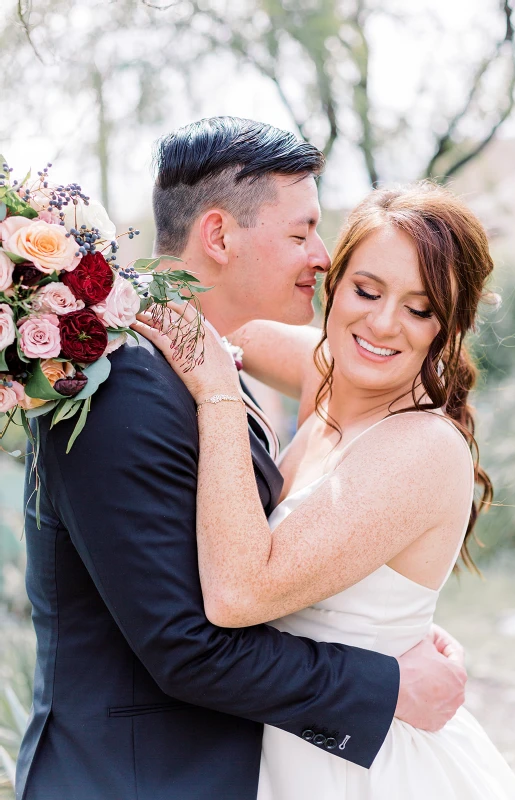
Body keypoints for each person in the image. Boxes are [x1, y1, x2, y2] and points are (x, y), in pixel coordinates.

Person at [17, 118, 466, 800]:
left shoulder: (201, 362)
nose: (320, 256)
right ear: (221, 236)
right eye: (300, 232)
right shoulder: (127, 391)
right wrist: (389, 685)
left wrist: (398, 615)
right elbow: (187, 646)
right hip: (136, 780)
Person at [133, 180, 515, 798]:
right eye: (367, 290)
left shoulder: (420, 446)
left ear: (448, 326)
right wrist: (70, 286)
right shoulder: (332, 372)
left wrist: (217, 389)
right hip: (284, 739)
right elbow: (225, 319)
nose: (381, 322)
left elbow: (238, 593)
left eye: (420, 309)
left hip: (362, 765)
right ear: (332, 279)